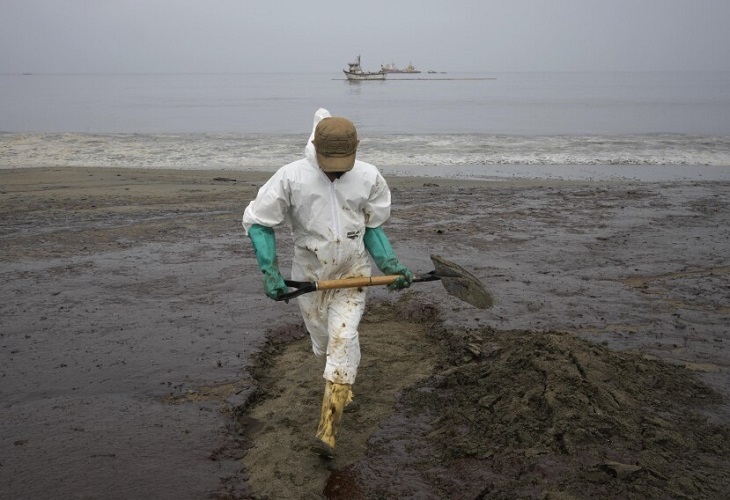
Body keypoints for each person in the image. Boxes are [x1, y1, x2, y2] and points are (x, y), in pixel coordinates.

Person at [242, 108, 413, 458]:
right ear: (314, 148)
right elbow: (259, 222)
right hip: (310, 277)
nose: (335, 169)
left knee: (343, 337)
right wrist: (269, 271)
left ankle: (328, 432)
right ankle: (342, 381)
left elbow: (373, 227)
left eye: (343, 161)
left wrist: (391, 265)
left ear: (358, 148)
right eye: (328, 160)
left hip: (353, 272)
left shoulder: (368, 177)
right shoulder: (291, 177)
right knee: (323, 344)